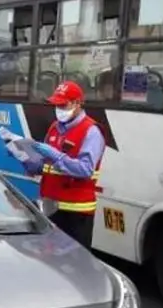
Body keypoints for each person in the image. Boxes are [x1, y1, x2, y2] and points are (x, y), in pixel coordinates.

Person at [19, 81, 106, 249]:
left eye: (63, 104)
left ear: (77, 103)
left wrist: (57, 156)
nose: (58, 109)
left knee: (75, 266)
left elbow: (85, 169)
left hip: (76, 214)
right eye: (56, 104)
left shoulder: (91, 131)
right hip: (51, 209)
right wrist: (28, 161)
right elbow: (46, 164)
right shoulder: (55, 128)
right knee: (50, 261)